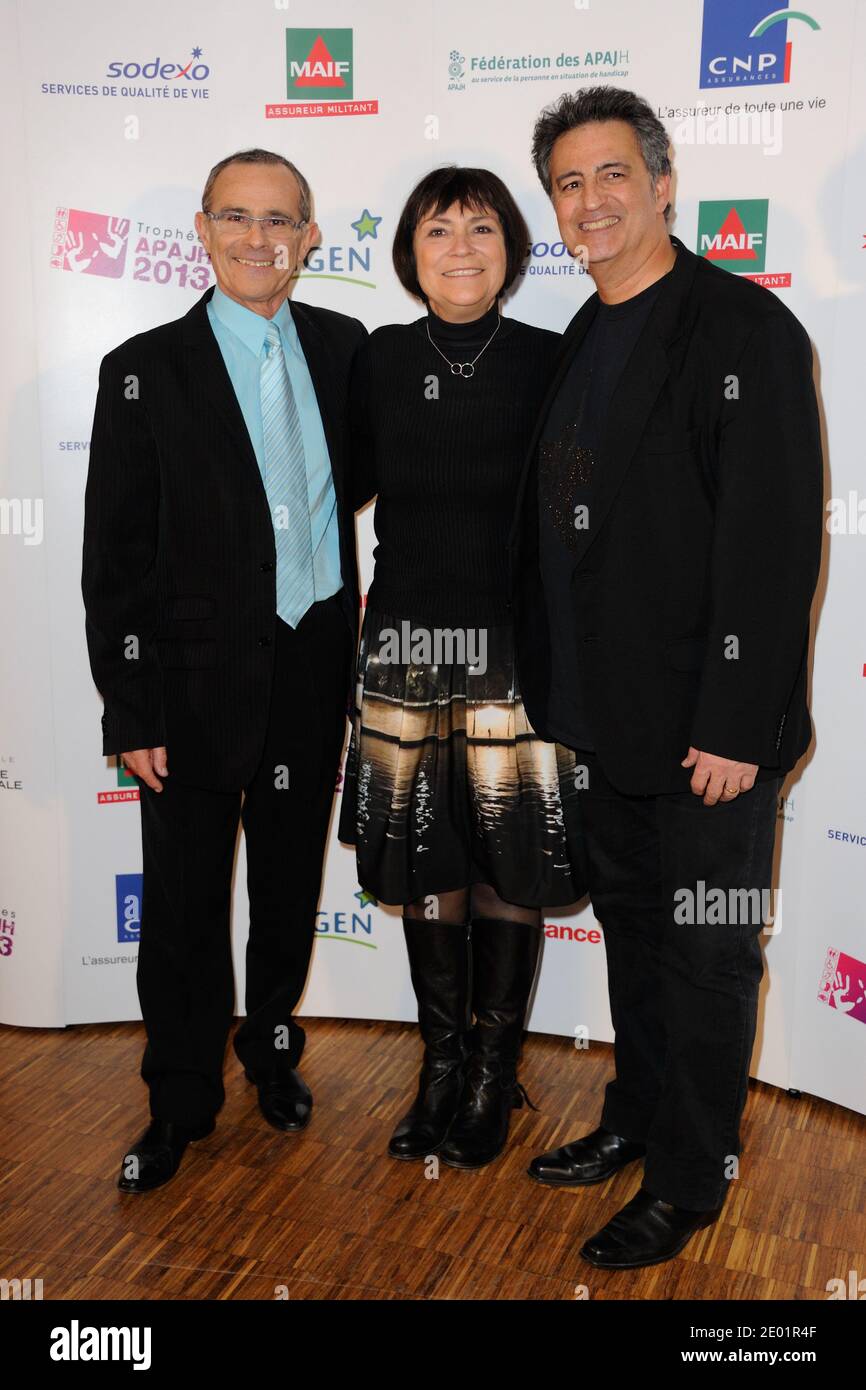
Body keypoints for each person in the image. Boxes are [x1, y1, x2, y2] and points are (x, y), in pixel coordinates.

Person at [511, 87, 823, 1267]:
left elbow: (773, 539)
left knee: (704, 956)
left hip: (710, 735)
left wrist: (737, 724)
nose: (587, 204)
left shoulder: (739, 328)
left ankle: (690, 1178)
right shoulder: (584, 330)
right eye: (566, 185)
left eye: (608, 177)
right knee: (638, 939)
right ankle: (633, 1120)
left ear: (659, 183)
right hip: (603, 720)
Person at [82, 148, 366, 1193]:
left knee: (288, 893)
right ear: (202, 230)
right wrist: (132, 704)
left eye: (280, 219)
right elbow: (114, 561)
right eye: (237, 218)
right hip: (188, 687)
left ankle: (271, 1052)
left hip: (308, 668)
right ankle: (178, 1099)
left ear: (309, 236)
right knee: (186, 905)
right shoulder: (142, 367)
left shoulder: (346, 352)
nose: (259, 238)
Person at [339, 166, 585, 1171]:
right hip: (402, 643)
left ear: (511, 248)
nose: (460, 248)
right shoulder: (378, 360)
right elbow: (331, 488)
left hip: (511, 647)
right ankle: (437, 1067)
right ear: (409, 252)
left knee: (505, 862)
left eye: (480, 228)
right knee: (426, 859)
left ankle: (491, 1072)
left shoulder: (548, 358)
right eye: (438, 230)